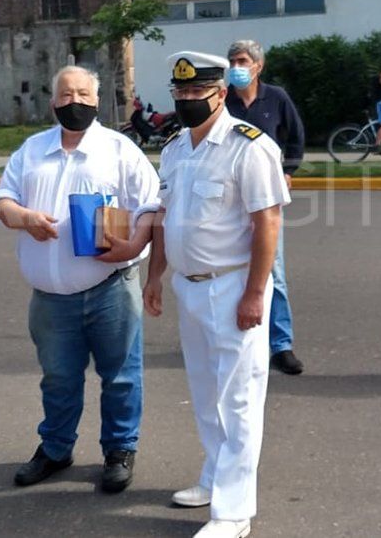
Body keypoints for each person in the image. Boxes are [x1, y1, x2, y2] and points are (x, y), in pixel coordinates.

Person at [0, 66, 160, 493]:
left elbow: (152, 208)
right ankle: (55, 448)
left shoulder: (120, 150)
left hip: (111, 289)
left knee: (121, 377)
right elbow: (2, 200)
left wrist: (134, 244)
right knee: (58, 379)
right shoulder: (32, 150)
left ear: (96, 100)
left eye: (83, 94)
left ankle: (120, 449)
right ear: (53, 103)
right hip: (50, 299)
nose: (74, 102)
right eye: (66, 95)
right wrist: (23, 217)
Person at [144, 51, 290, 538]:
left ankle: (233, 512)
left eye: (196, 92)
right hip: (190, 287)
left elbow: (267, 222)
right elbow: (166, 219)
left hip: (232, 286)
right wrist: (155, 277)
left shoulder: (250, 147)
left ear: (221, 93)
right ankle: (213, 477)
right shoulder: (175, 149)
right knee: (207, 394)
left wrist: (254, 293)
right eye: (180, 92)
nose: (186, 100)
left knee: (240, 398)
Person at [224, 39, 307, 376]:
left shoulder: (276, 97)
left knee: (274, 271)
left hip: (265, 196)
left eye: (242, 61)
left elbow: (296, 135)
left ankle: (281, 345)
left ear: (258, 65)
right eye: (232, 61)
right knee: (229, 266)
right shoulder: (222, 99)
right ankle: (236, 334)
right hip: (228, 197)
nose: (236, 68)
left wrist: (288, 170)